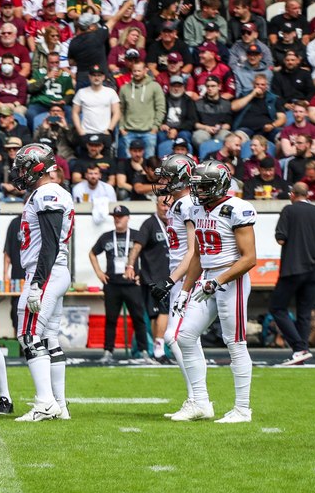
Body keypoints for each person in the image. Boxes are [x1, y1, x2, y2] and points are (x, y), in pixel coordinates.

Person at [173, 161, 257, 423]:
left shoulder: (237, 208)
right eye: (196, 186)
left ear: (219, 184)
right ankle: (200, 402)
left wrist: (218, 281)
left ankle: (242, 409)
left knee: (235, 342)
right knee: (185, 336)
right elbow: (198, 254)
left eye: (204, 186)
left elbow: (249, 258)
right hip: (207, 279)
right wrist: (185, 290)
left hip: (232, 278)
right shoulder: (197, 209)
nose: (198, 191)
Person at [12, 142, 75, 421]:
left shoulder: (48, 192)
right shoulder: (48, 192)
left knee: (28, 335)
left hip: (46, 271)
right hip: (54, 270)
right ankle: (59, 405)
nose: (20, 173)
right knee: (49, 337)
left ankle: (44, 403)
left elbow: (49, 243)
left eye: (24, 167)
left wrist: (37, 283)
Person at [90, 205, 150, 363]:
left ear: (128, 217)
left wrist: (142, 276)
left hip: (132, 284)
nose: (118, 219)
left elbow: (149, 255)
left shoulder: (137, 235)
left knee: (138, 318)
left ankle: (144, 352)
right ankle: (108, 352)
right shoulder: (106, 237)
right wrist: (99, 273)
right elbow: (92, 253)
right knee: (111, 319)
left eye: (121, 216)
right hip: (112, 284)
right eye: (115, 216)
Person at [271, 183, 315, 366]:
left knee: (277, 308)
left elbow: (281, 238)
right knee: (304, 312)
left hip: (293, 268)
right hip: (314, 270)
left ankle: (299, 348)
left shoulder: (289, 210)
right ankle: (302, 350)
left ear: (292, 194)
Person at [127, 198, 173, 361]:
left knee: (157, 316)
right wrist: (131, 266)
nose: (166, 208)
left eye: (169, 204)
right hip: (154, 278)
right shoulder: (149, 224)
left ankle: (158, 350)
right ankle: (160, 349)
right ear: (156, 205)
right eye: (163, 204)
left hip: (173, 277)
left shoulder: (176, 222)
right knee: (162, 313)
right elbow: (137, 247)